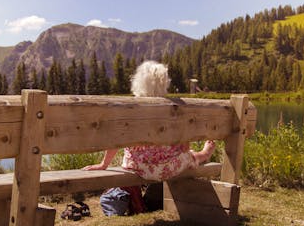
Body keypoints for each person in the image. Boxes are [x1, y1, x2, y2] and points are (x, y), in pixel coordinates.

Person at [83, 60, 216, 181]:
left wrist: (104, 164)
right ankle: (204, 154)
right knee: (189, 155)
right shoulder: (176, 108)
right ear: (164, 83)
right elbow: (185, 148)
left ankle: (199, 155)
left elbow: (116, 139)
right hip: (168, 168)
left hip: (136, 166)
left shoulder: (128, 108)